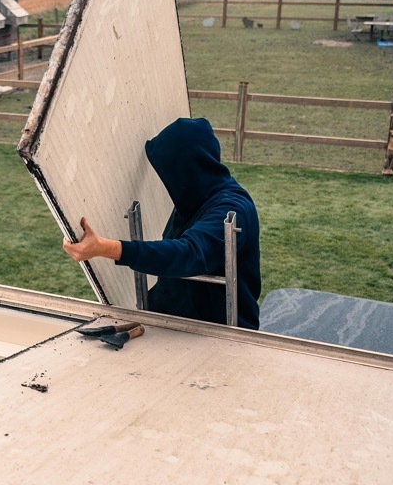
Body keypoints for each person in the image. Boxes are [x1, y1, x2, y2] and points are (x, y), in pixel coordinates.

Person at [62, 117, 262, 329]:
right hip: (179, 325)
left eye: (170, 171)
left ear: (187, 167)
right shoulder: (193, 200)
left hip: (223, 334)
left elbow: (190, 254)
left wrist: (106, 248)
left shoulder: (232, 209)